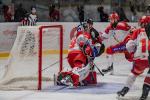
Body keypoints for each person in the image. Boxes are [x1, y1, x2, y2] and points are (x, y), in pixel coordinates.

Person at [56, 22, 105, 87]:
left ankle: (64, 73)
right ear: (83, 28)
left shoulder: (75, 36)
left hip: (71, 56)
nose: (88, 29)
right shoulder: (83, 34)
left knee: (79, 69)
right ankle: (69, 78)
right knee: (82, 70)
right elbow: (83, 44)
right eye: (86, 28)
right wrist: (89, 53)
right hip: (78, 55)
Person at [117, 16, 150, 100]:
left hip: (139, 58)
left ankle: (125, 90)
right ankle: (144, 94)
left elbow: (129, 46)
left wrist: (131, 53)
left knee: (134, 73)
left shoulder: (137, 31)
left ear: (142, 23)